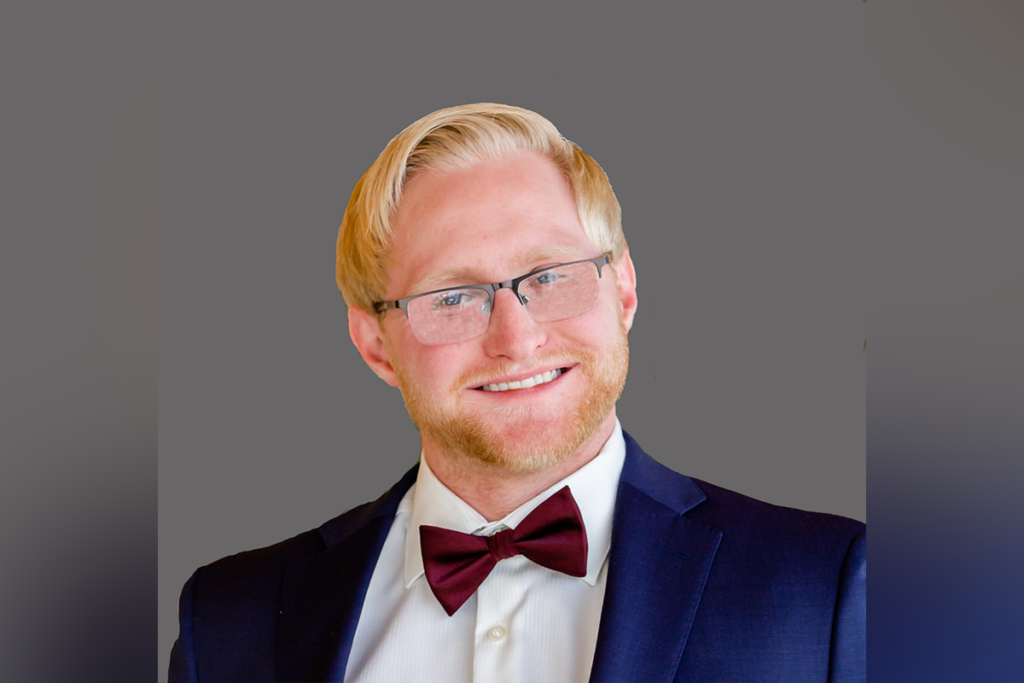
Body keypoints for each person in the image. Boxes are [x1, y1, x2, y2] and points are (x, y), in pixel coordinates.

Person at [168, 103, 866, 683]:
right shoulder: (230, 620)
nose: (516, 337)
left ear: (622, 288)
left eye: (552, 274)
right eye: (453, 295)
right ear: (375, 341)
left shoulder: (826, 586)